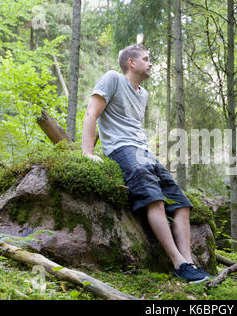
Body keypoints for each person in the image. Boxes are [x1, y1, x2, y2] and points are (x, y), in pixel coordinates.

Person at [82, 43, 210, 283]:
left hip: (144, 152)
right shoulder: (112, 79)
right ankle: (178, 262)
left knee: (181, 203)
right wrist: (88, 152)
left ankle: (190, 262)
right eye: (146, 58)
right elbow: (92, 114)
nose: (150, 63)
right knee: (154, 197)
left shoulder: (144, 94)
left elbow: (132, 125)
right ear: (131, 62)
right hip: (121, 150)